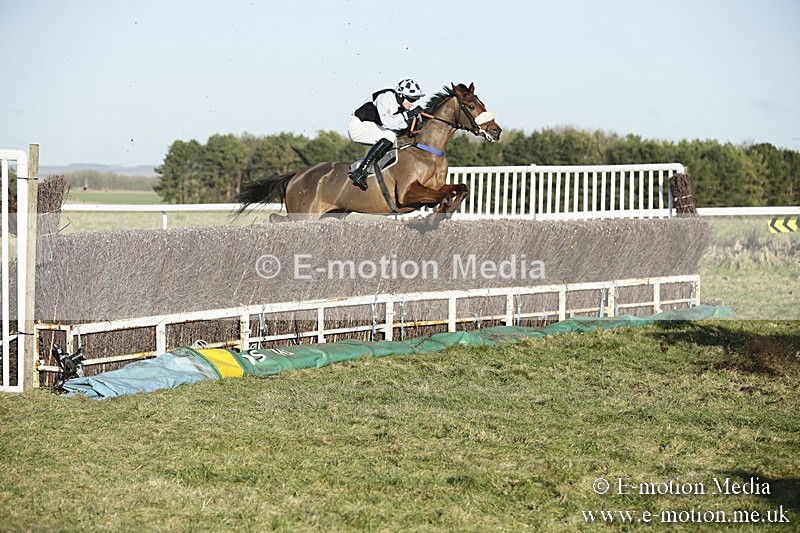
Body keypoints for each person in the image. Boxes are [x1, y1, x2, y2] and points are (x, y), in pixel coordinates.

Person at [347, 79, 425, 190]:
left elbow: (401, 123)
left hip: (372, 126)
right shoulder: (386, 97)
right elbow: (388, 123)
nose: (412, 103)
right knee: (389, 135)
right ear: (401, 95)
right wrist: (409, 115)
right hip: (358, 126)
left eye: (416, 99)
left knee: (395, 138)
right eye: (411, 99)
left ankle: (375, 167)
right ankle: (360, 171)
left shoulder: (402, 104)